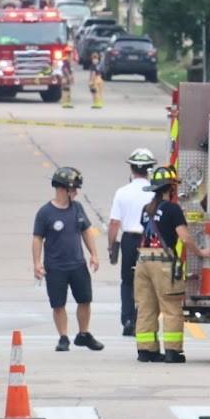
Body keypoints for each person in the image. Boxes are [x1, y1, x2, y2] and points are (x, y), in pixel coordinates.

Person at [134, 166, 210, 363]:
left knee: (146, 307)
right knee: (171, 307)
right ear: (170, 188)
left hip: (142, 261)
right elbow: (185, 238)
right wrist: (201, 252)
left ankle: (146, 350)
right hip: (163, 262)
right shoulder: (172, 209)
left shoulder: (146, 209)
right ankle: (172, 351)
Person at [33, 167, 104, 352]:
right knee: (58, 304)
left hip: (77, 264)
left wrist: (94, 254)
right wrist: (37, 263)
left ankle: (84, 334)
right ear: (62, 189)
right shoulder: (45, 212)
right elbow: (37, 238)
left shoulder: (77, 208)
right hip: (56, 266)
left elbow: (86, 231)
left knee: (85, 299)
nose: (76, 193)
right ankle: (63, 336)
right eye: (73, 189)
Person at [108, 149, 157, 338]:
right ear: (149, 169)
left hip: (129, 239)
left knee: (128, 282)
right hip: (149, 240)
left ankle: (128, 320)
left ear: (131, 168)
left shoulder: (122, 192)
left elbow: (114, 223)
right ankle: (144, 320)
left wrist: (112, 245)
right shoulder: (154, 192)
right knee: (149, 282)